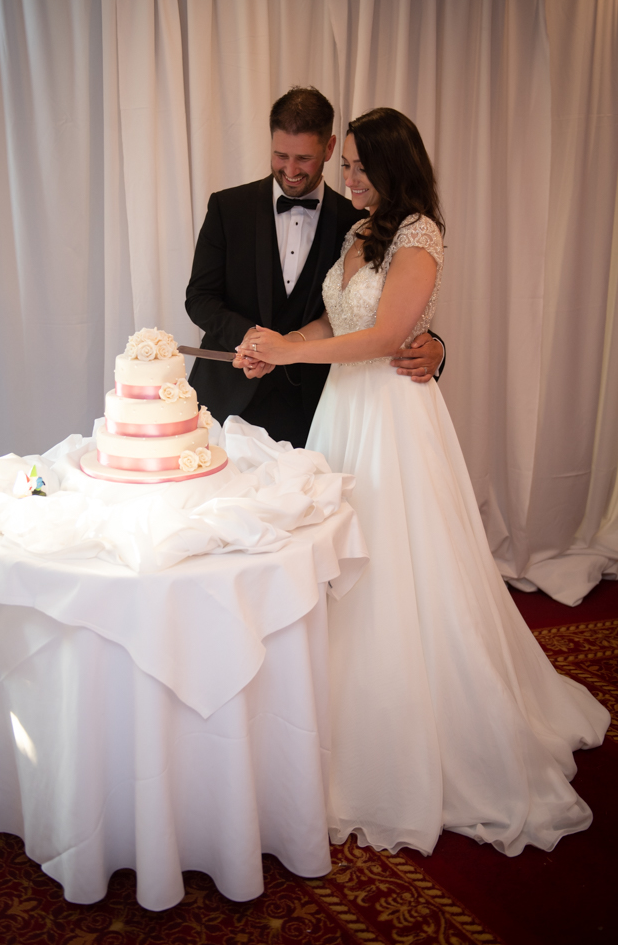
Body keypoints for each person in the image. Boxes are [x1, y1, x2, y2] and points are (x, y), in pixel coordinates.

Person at [236, 108, 610, 857]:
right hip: (343, 410)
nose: (347, 180)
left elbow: (381, 339)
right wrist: (276, 345)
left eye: (358, 170)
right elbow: (331, 319)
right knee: (338, 559)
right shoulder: (358, 229)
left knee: (398, 562)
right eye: (343, 168)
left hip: (393, 419)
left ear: (392, 167)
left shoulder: (418, 236)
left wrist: (295, 351)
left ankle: (410, 727)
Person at [185, 87, 445, 447]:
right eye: (280, 155)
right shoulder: (228, 208)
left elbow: (391, 316)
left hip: (316, 409)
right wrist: (257, 343)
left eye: (304, 158)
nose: (290, 170)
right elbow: (199, 298)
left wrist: (436, 348)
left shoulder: (355, 219)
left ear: (328, 147)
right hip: (228, 398)